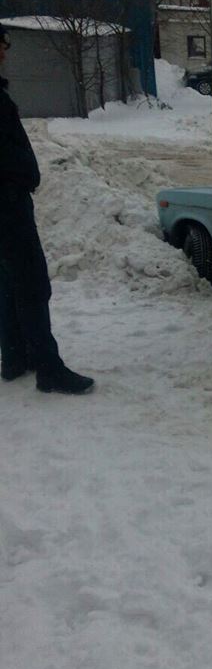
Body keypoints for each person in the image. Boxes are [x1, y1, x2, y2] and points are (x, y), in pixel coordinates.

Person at [0, 23, 94, 394]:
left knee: (8, 281)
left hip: (6, 200)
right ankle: (48, 369)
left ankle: (15, 358)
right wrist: (20, 178)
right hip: (6, 204)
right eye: (2, 45)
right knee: (31, 283)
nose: (5, 51)